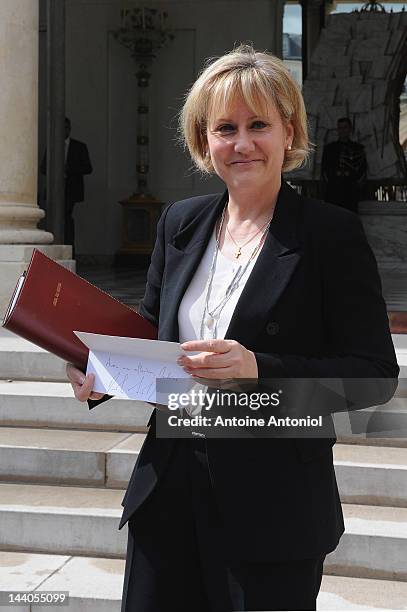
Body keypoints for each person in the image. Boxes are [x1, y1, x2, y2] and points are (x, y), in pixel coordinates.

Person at [67, 45, 398, 611]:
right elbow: (152, 335)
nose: (241, 143)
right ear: (204, 141)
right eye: (225, 128)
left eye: (258, 125)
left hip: (273, 504)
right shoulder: (181, 221)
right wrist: (98, 371)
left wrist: (258, 369)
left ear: (289, 133)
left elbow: (373, 378)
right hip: (168, 489)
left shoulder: (330, 234)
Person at [41, 117, 92, 256]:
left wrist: (68, 170)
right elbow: (43, 168)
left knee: (67, 219)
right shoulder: (52, 145)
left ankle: (69, 249)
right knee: (52, 218)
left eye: (66, 127)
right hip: (54, 189)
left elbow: (88, 168)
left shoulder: (79, 146)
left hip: (71, 190)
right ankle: (52, 250)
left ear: (69, 129)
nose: (63, 130)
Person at [321, 117, 367, 214]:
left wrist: (356, 187)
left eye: (345, 127)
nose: (342, 130)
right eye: (340, 128)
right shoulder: (330, 149)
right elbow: (324, 171)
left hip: (351, 192)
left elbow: (362, 171)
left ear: (350, 129)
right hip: (333, 192)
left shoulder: (358, 149)